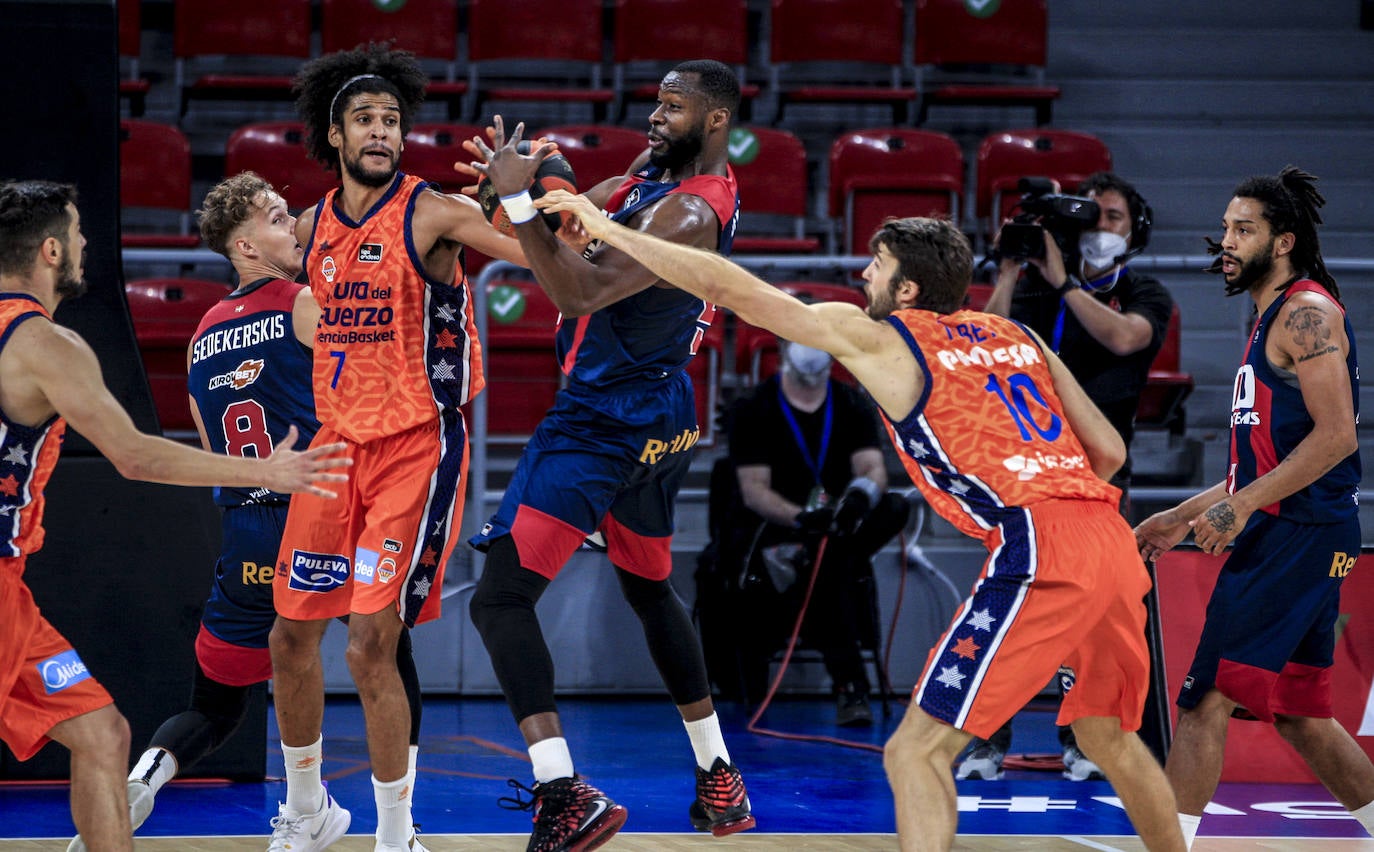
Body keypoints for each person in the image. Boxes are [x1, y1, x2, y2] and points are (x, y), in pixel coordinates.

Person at [537, 188, 1187, 851]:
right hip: (1108, 536)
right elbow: (1108, 451)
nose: (863, 277)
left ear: (905, 287)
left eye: (875, 266)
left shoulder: (881, 337)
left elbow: (723, 284)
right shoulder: (1015, 334)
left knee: (914, 753)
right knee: (1111, 737)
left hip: (1039, 541)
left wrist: (603, 229)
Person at [66, 173, 429, 851]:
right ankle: (397, 831)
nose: (292, 224)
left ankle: (146, 777)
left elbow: (214, 447)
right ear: (243, 244)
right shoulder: (303, 303)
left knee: (217, 703)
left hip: (244, 530)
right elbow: (376, 385)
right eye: (275, 217)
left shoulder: (201, 336)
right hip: (321, 514)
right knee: (386, 656)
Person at [0, 180, 347, 852]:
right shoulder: (46, 342)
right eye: (76, 235)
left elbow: (199, 424)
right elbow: (135, 456)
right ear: (49, 251)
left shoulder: (204, 336)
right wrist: (269, 470)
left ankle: (236, 798)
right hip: (305, 511)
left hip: (31, 585)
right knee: (368, 645)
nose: (85, 245)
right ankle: (324, 810)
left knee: (104, 732)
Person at [461, 59, 754, 850]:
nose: (655, 117)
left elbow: (579, 292)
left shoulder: (690, 213)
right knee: (652, 589)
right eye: (655, 102)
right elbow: (564, 230)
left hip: (603, 421)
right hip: (663, 416)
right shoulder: (648, 180)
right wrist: (520, 188)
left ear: (717, 119)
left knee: (498, 599)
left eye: (673, 106)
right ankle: (719, 777)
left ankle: (564, 795)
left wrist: (524, 196)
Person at [267, 44, 527, 852]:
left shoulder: (434, 212)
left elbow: (538, 257)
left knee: (372, 643)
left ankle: (394, 835)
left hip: (416, 448)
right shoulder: (308, 230)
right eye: (365, 121)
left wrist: (524, 199)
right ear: (335, 136)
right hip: (334, 449)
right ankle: (308, 812)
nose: (381, 133)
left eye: (391, 121)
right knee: (288, 638)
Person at [1134, 166, 1373, 851]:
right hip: (1301, 529)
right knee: (1303, 716)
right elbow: (1257, 465)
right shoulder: (1273, 317)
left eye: (1244, 229)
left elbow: (1336, 437)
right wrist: (1184, 513)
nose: (1226, 242)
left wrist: (1243, 511)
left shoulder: (1307, 313)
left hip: (1293, 533)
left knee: (1205, 697)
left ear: (1285, 240)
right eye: (1226, 228)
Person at [968, 171, 1174, 781]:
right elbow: (983, 346)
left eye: (1114, 217)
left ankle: (1081, 741)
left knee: (1096, 615)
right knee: (1010, 604)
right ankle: (986, 739)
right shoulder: (1031, 289)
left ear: (1135, 231)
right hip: (1027, 475)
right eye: (1094, 216)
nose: (1101, 228)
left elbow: (1124, 338)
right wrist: (1008, 272)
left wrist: (1066, 285)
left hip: (1102, 476)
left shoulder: (1145, 292)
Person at [709, 332, 909, 724]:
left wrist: (857, 498)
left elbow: (872, 468)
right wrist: (803, 518)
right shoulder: (754, 408)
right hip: (777, 530)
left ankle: (851, 684)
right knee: (833, 564)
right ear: (782, 346)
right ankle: (851, 685)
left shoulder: (851, 403)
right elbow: (754, 492)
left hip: (840, 525)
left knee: (892, 508)